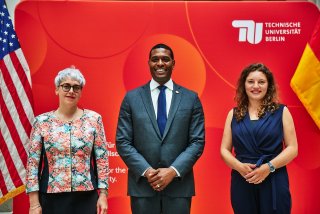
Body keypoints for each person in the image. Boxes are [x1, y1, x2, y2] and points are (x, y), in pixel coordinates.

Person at [116, 43, 205, 214]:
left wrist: (172, 171)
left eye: (165, 59)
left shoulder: (190, 98)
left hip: (179, 187)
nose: (160, 63)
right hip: (143, 187)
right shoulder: (132, 98)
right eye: (155, 59)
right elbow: (123, 141)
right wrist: (148, 171)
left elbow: (197, 142)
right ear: (149, 63)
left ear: (173, 63)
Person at [26, 67, 109, 214]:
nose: (71, 91)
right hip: (51, 198)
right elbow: (33, 164)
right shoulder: (42, 121)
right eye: (66, 86)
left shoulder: (94, 120)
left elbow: (101, 160)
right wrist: (34, 204)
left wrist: (103, 194)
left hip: (86, 197)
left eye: (76, 87)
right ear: (57, 90)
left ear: (81, 92)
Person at [220, 63, 298, 214]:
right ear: (244, 85)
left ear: (268, 85)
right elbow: (224, 149)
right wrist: (239, 167)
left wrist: (268, 167)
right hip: (243, 178)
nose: (256, 86)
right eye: (251, 81)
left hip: (274, 177)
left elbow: (292, 148)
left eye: (261, 82)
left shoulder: (282, 111)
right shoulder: (233, 114)